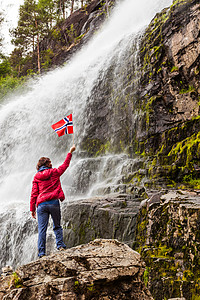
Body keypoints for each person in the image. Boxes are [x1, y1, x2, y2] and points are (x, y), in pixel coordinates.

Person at [30, 144, 76, 258]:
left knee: (42, 230)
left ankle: (41, 254)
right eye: (49, 162)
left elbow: (34, 194)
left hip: (41, 205)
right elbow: (65, 165)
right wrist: (70, 151)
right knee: (57, 226)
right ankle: (60, 246)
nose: (51, 164)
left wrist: (32, 209)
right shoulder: (54, 172)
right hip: (53, 202)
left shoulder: (36, 177)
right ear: (47, 164)